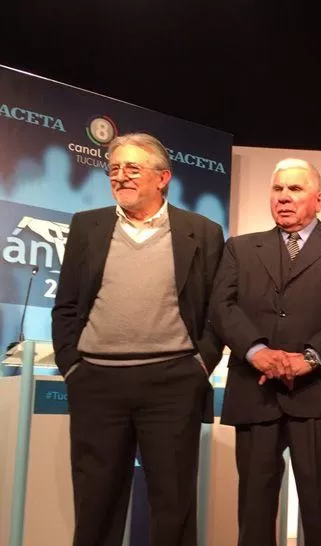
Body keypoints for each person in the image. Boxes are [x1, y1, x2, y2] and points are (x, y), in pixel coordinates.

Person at [51, 132, 225, 546]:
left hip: (172, 385)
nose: (120, 177)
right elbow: (67, 306)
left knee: (173, 503)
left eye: (132, 168)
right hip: (97, 383)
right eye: (114, 169)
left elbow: (217, 311)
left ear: (163, 177)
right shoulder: (86, 225)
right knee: (96, 501)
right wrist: (72, 366)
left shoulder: (202, 231)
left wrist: (200, 365)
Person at [209, 158, 321, 546]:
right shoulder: (240, 248)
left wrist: (311, 358)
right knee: (253, 510)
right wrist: (256, 351)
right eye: (278, 189)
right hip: (257, 390)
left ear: (319, 199)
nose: (284, 197)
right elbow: (222, 307)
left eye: (295, 189)